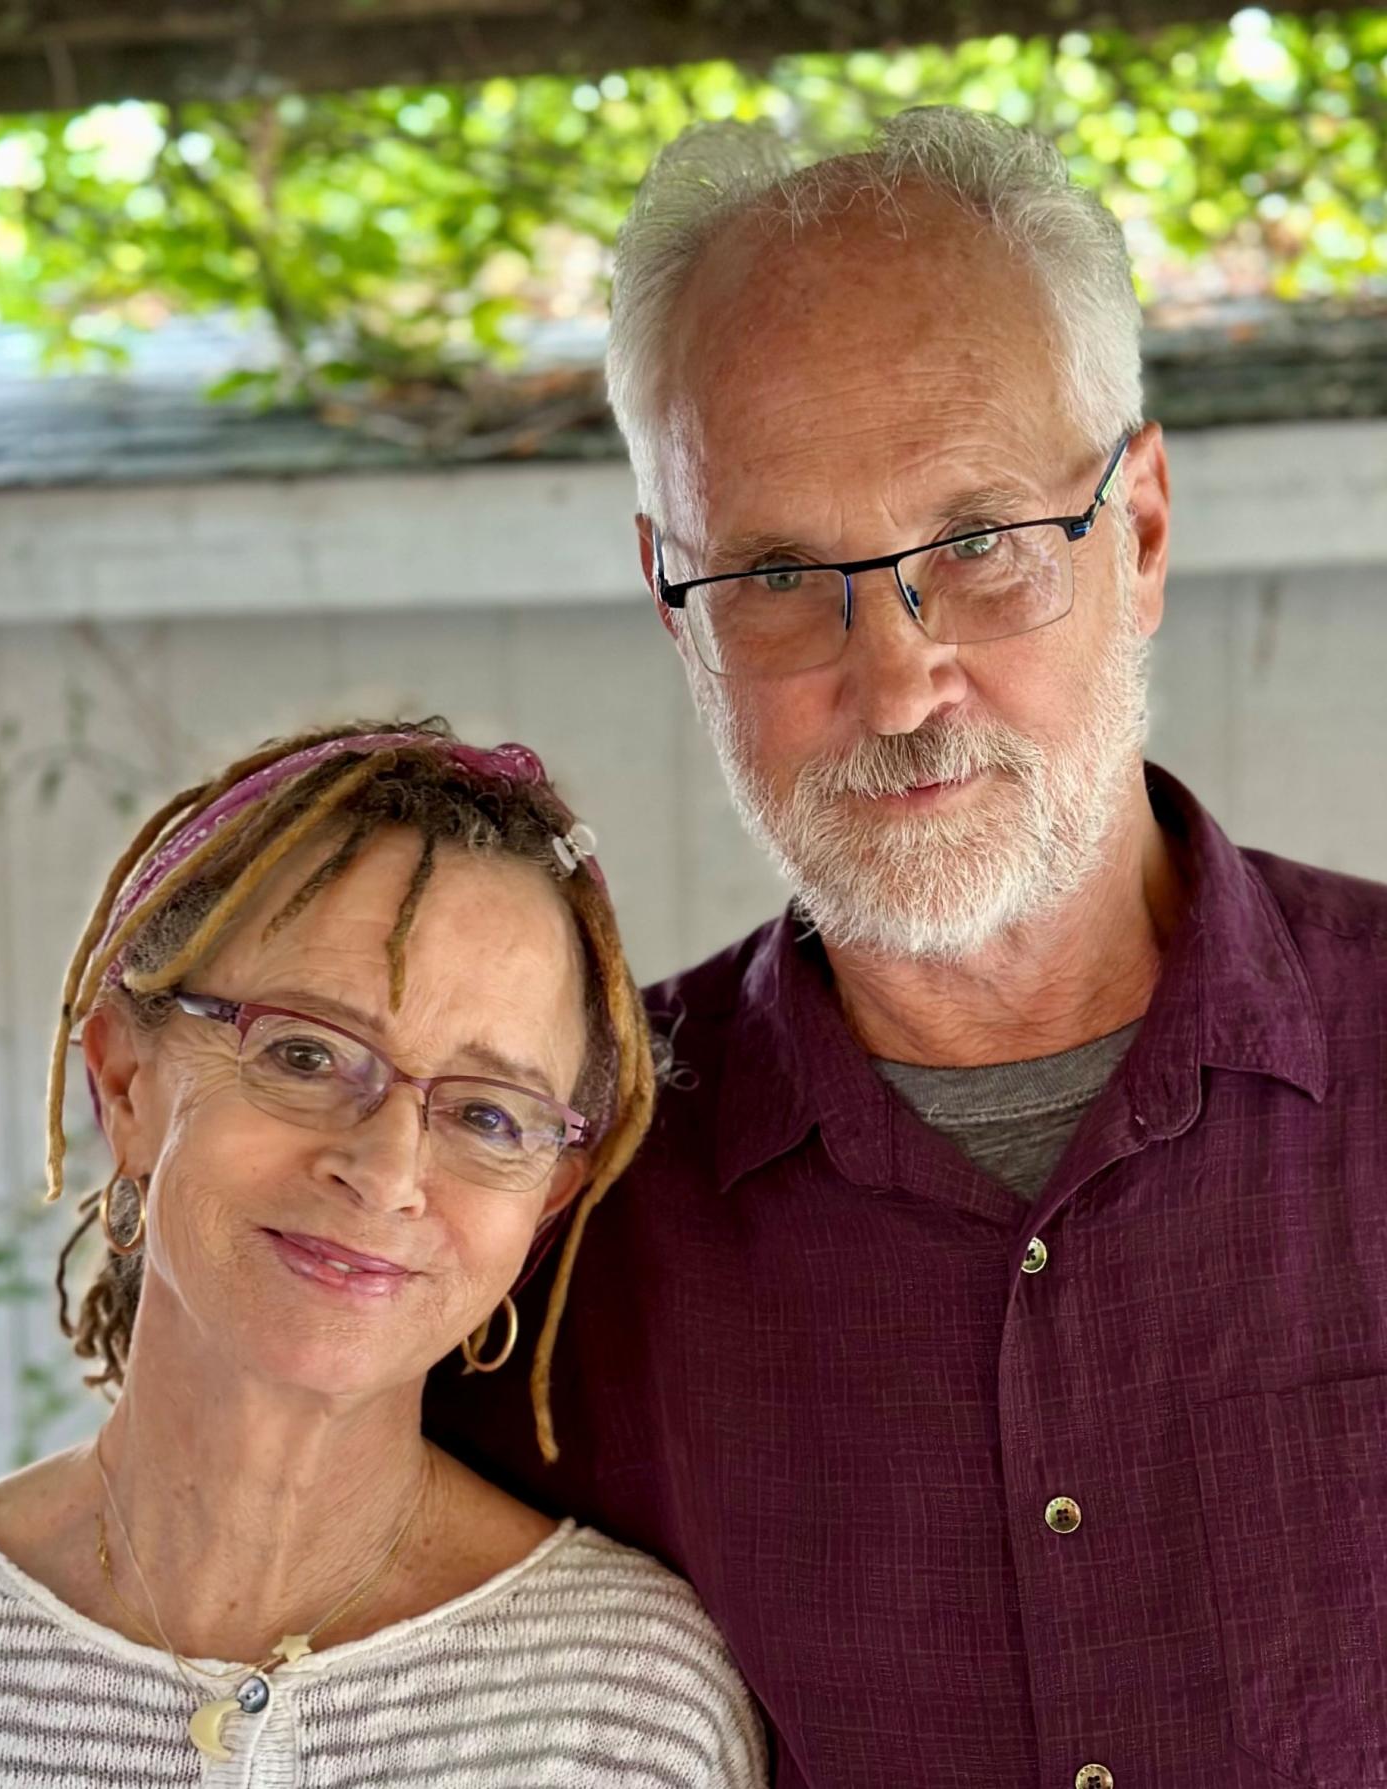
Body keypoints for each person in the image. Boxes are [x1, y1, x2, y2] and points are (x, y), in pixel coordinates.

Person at [427, 108, 1387, 1788]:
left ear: (1141, 531)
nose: (895, 683)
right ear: (673, 595)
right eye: (783, 569)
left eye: (979, 542)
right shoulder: (549, 1196)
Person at [0, 721, 767, 1788]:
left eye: (487, 1115)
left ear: (547, 1200)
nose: (386, 1170)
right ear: (127, 1086)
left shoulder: (632, 1702)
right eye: (305, 1052)